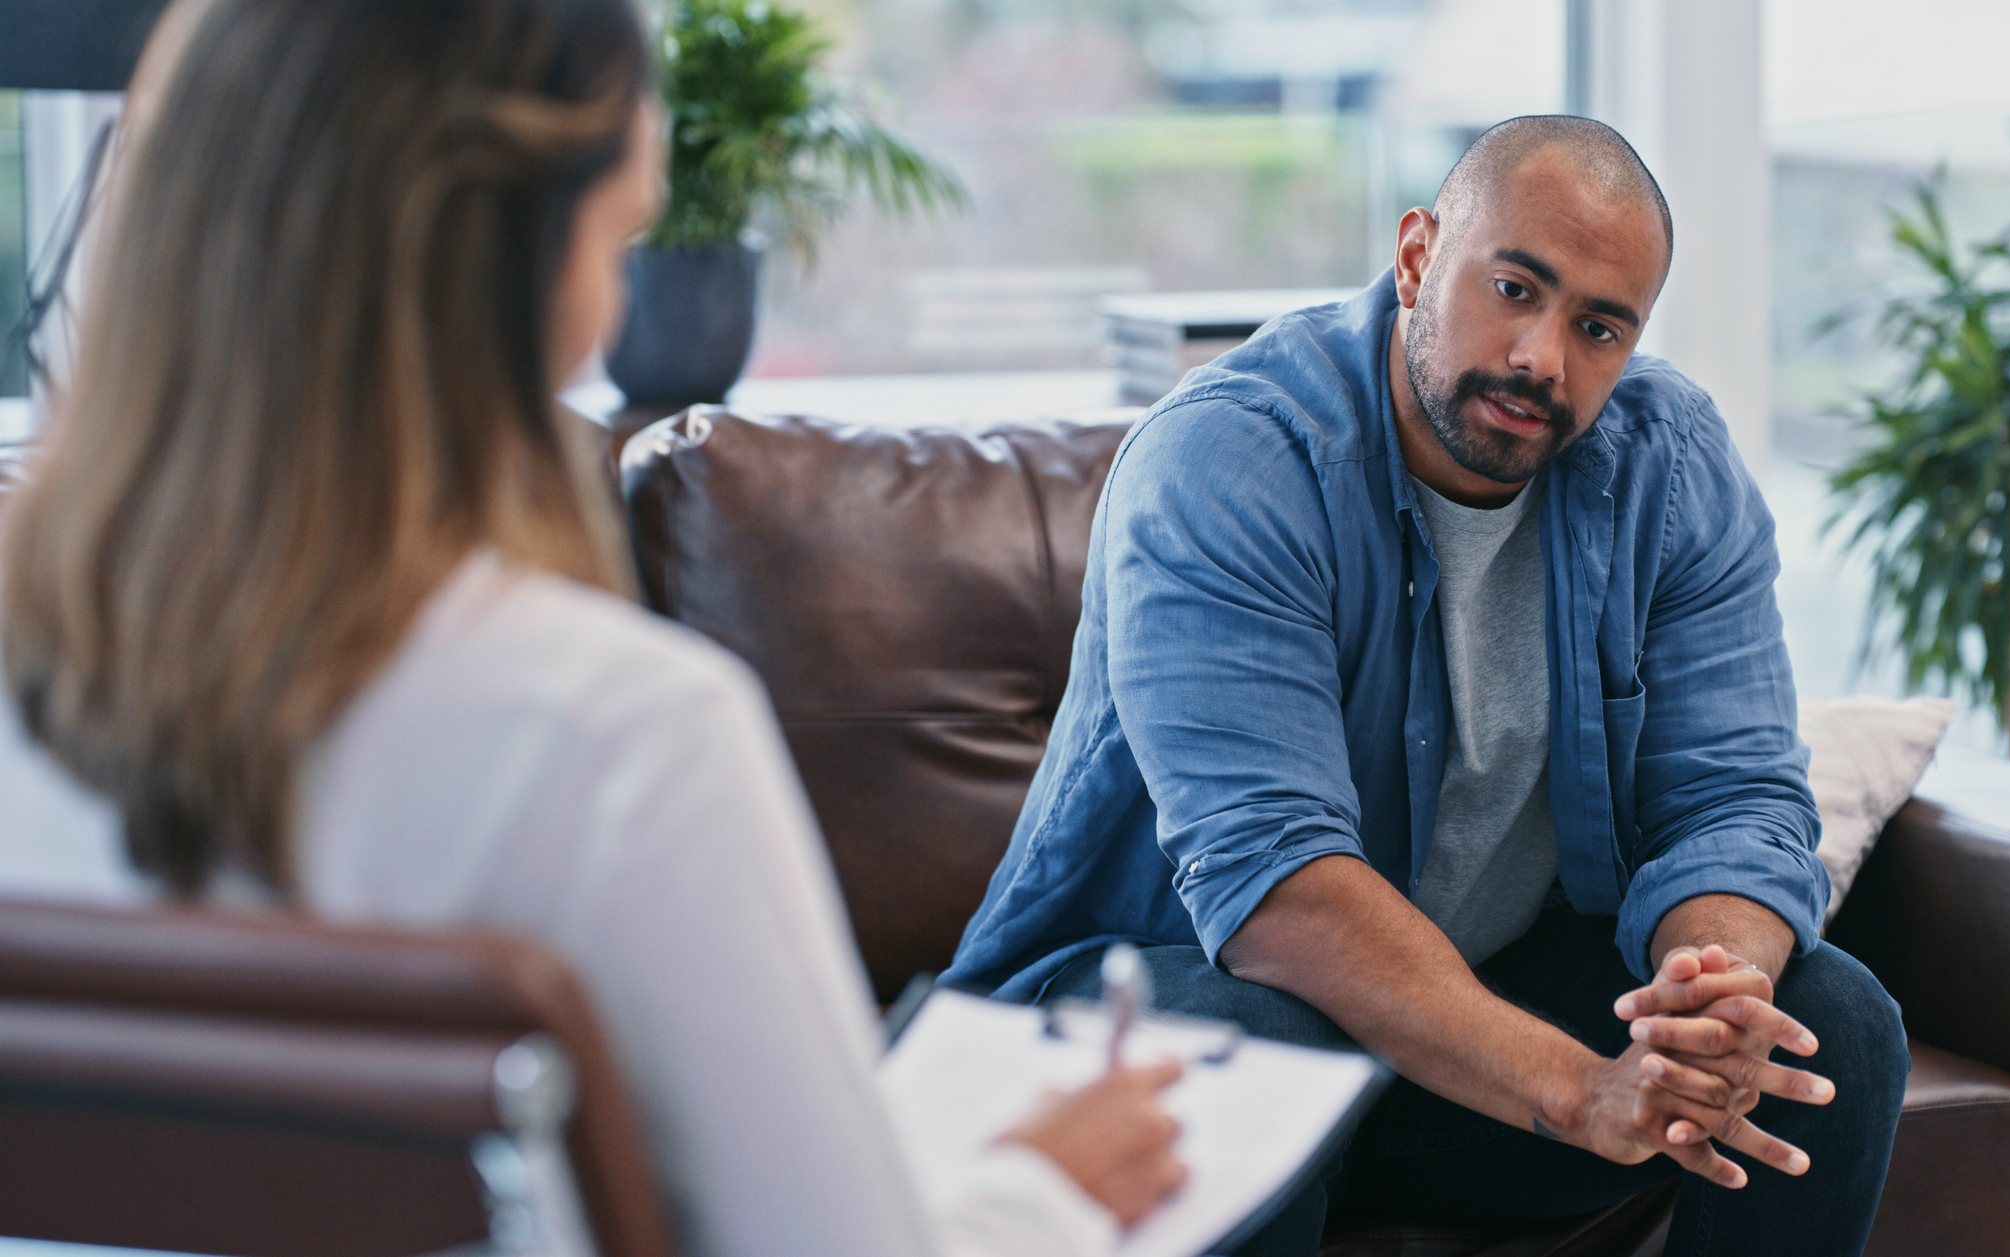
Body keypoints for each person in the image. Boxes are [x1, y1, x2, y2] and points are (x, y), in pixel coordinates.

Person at [0, 2, 1185, 1255]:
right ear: (508, 268)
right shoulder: (621, 736)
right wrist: (1038, 1190)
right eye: (619, 242)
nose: (609, 309)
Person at [945, 115, 1909, 1255]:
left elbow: (1734, 799)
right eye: (1513, 288)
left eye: (1598, 327)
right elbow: (1280, 891)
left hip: (1454, 1046)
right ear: (1414, 257)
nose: (1541, 358)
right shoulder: (1230, 460)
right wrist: (1576, 1089)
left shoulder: (1669, 465)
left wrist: (1710, 1002)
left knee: (1824, 1024)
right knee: (1242, 1038)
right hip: (1152, 1026)